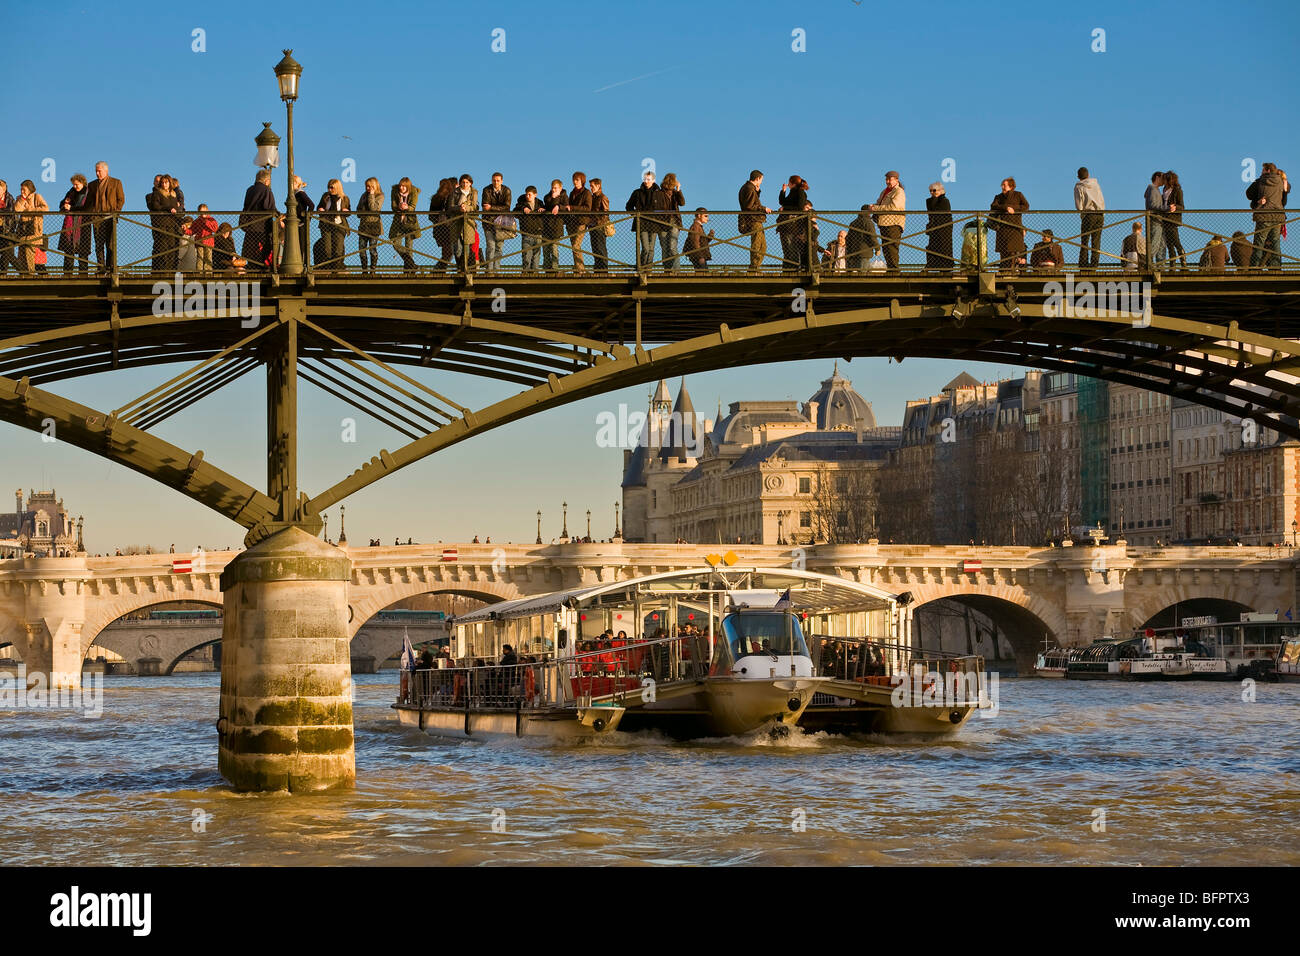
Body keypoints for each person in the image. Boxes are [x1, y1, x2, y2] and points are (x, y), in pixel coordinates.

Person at [1246, 162, 1289, 270]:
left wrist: (1257, 201)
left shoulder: (1260, 181)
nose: (1261, 172)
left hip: (1264, 216)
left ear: (1268, 170)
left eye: (1263, 170)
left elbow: (1248, 194)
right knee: (1275, 243)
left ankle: (1255, 266)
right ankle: (1276, 267)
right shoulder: (1281, 181)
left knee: (1259, 243)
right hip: (1278, 217)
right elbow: (1286, 192)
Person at [86, 161, 124, 274]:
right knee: (99, 244)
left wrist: (116, 212)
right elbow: (88, 202)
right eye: (96, 171)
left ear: (106, 171)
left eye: (99, 171)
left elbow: (121, 199)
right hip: (97, 218)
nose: (97, 173)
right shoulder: (92, 185)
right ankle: (101, 267)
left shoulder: (116, 182)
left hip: (110, 217)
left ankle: (111, 267)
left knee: (111, 243)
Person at [239, 169, 277, 270]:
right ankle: (263, 268)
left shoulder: (249, 190)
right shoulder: (266, 190)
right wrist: (279, 215)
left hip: (250, 224)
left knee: (250, 250)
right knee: (264, 249)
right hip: (262, 226)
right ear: (267, 180)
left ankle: (251, 267)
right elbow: (269, 207)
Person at [625, 170, 664, 271]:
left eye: (649, 179)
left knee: (651, 249)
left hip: (655, 223)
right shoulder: (637, 192)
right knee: (646, 248)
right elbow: (628, 206)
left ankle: (648, 269)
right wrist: (635, 215)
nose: (646, 181)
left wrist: (660, 220)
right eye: (645, 179)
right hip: (641, 223)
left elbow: (663, 208)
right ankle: (641, 268)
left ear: (653, 180)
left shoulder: (659, 194)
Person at [989, 177, 1029, 272]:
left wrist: (1014, 209)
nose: (1002, 187)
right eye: (1002, 185)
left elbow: (1026, 206)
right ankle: (1003, 270)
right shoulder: (998, 197)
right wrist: (1006, 207)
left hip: (1015, 227)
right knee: (1003, 252)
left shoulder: (1018, 195)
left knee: (1013, 251)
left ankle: (1010, 271)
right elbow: (993, 206)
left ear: (1011, 186)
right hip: (1002, 227)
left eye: (1004, 185)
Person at [870, 171, 906, 271]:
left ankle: (894, 270)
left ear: (896, 180)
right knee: (886, 248)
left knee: (892, 248)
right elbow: (879, 203)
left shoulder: (899, 191)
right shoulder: (884, 191)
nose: (887, 181)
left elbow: (894, 207)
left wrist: (875, 208)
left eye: (890, 179)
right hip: (883, 223)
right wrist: (872, 207)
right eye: (886, 179)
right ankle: (890, 269)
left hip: (893, 223)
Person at [57, 174, 91, 274]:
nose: (75, 186)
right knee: (68, 249)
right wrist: (65, 203)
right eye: (73, 184)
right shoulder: (71, 192)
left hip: (83, 224)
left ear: (82, 183)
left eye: (77, 184)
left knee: (83, 250)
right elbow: (62, 203)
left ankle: (83, 273)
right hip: (70, 224)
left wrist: (71, 208)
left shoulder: (88, 193)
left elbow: (87, 208)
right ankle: (67, 273)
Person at [738, 170, 771, 272]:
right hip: (754, 220)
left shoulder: (749, 188)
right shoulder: (748, 188)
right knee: (757, 245)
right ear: (757, 179)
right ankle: (754, 267)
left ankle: (755, 266)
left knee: (763, 246)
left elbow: (751, 202)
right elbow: (750, 206)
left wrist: (757, 192)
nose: (761, 182)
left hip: (754, 219)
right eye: (761, 180)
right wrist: (764, 208)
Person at [479, 171, 512, 273]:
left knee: (498, 247)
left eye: (498, 180)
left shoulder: (507, 190)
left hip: (502, 223)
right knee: (491, 246)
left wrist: (492, 207)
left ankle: (496, 270)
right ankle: (489, 270)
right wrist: (496, 209)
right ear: (491, 181)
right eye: (494, 180)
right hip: (488, 222)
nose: (496, 182)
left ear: (501, 181)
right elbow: (485, 206)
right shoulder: (487, 190)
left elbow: (507, 207)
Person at [316, 178, 351, 272]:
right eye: (328, 187)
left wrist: (346, 211)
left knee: (338, 248)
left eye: (331, 187)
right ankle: (328, 267)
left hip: (339, 224)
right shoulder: (325, 196)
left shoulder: (344, 198)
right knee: (327, 248)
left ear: (337, 188)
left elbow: (348, 212)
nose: (329, 190)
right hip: (326, 224)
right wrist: (320, 209)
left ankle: (337, 268)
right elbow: (319, 206)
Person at [14, 181, 49, 274]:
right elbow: (17, 210)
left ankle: (30, 273)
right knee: (21, 251)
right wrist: (22, 199)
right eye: (21, 189)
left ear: (30, 189)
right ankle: (24, 273)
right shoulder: (19, 198)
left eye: (24, 189)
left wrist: (31, 210)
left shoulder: (37, 197)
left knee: (29, 248)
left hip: (34, 229)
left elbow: (46, 208)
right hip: (23, 229)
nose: (22, 191)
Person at [1073, 166, 1105, 269]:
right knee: (1096, 241)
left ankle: (1083, 265)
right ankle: (1094, 265)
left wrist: (1082, 214)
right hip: (1099, 214)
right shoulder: (1096, 185)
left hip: (1088, 215)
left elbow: (1079, 205)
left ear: (1078, 177)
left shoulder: (1079, 186)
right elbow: (1101, 200)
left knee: (1085, 241)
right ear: (1088, 175)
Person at [149, 175, 181, 272]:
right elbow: (155, 206)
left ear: (170, 183)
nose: (164, 184)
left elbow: (176, 208)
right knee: (163, 247)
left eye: (166, 182)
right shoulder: (157, 193)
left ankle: (171, 270)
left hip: (172, 223)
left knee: (172, 246)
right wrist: (168, 208)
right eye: (162, 182)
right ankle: (162, 270)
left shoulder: (174, 194)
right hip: (161, 223)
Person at [777, 175, 809, 269]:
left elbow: (799, 208)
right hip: (785, 224)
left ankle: (793, 268)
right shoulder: (792, 192)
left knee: (791, 247)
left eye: (789, 182)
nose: (788, 184)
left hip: (793, 224)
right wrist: (783, 191)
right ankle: (787, 268)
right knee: (786, 248)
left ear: (792, 183)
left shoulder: (800, 193)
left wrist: (785, 208)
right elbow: (782, 202)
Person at [389, 176, 420, 274]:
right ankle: (411, 264)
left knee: (409, 246)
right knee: (395, 243)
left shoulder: (413, 191)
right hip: (398, 221)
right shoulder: (394, 191)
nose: (401, 188)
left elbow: (413, 206)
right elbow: (393, 206)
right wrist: (399, 206)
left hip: (410, 221)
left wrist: (407, 207)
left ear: (408, 186)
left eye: (404, 186)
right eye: (400, 186)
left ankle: (408, 270)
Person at [448, 174, 478, 272]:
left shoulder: (474, 192)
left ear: (470, 183)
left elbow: (474, 207)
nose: (465, 184)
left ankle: (463, 269)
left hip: (468, 223)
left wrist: (467, 208)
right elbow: (450, 207)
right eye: (463, 182)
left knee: (467, 247)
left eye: (467, 182)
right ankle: (460, 266)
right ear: (460, 183)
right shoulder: (454, 192)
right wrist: (459, 208)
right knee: (457, 249)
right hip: (456, 222)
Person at [427, 177, 457, 270]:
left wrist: (437, 222)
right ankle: (439, 269)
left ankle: (440, 269)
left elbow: (430, 216)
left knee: (447, 251)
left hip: (438, 228)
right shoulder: (450, 196)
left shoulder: (435, 198)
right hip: (449, 227)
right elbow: (451, 211)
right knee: (450, 252)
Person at [355, 177, 383, 274]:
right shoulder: (363, 195)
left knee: (372, 248)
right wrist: (362, 211)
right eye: (366, 186)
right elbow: (358, 210)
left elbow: (373, 208)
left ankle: (373, 269)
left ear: (374, 186)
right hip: (363, 225)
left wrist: (371, 195)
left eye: (370, 186)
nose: (367, 188)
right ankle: (364, 270)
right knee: (362, 248)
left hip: (374, 226)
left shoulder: (380, 196)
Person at [514, 185, 545, 273]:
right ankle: (526, 272)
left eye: (530, 194)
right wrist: (523, 208)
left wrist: (543, 210)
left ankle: (535, 272)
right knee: (527, 254)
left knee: (536, 254)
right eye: (526, 194)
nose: (527, 196)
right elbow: (515, 211)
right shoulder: (521, 203)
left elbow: (545, 212)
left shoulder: (540, 203)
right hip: (526, 232)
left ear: (535, 195)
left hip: (538, 231)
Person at [658, 173, 685, 273]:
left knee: (672, 246)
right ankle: (668, 271)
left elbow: (682, 203)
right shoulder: (660, 193)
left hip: (674, 222)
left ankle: (676, 271)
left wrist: (678, 190)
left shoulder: (675, 193)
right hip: (662, 222)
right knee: (665, 248)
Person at [541, 178, 569, 273]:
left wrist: (557, 205)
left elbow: (565, 207)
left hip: (557, 226)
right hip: (546, 225)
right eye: (553, 188)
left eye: (556, 188)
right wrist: (554, 199)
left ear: (560, 188)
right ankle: (547, 268)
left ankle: (554, 268)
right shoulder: (547, 197)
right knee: (545, 248)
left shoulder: (564, 196)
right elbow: (549, 206)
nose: (554, 190)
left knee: (554, 247)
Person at [567, 171, 593, 274]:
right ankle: (578, 267)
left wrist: (572, 208)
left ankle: (580, 270)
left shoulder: (586, 193)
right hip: (572, 223)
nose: (575, 182)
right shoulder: (572, 193)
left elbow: (587, 208)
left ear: (582, 180)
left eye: (577, 180)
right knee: (574, 246)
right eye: (574, 179)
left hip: (582, 222)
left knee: (576, 246)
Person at [925, 182, 952, 270]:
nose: (932, 193)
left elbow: (936, 211)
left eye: (934, 190)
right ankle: (931, 265)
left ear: (941, 191)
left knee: (944, 247)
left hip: (944, 228)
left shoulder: (945, 201)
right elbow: (931, 210)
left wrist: (935, 199)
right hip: (934, 227)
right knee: (932, 246)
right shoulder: (930, 201)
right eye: (930, 191)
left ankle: (946, 266)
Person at [1143, 171, 1167, 271]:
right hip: (1155, 220)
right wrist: (1167, 208)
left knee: (1161, 245)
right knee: (1154, 244)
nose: (1164, 181)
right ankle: (1149, 265)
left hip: (1159, 221)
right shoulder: (1152, 189)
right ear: (1157, 177)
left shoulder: (1155, 190)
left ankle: (1160, 267)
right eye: (1163, 178)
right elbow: (1152, 205)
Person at [1162, 170, 1185, 270]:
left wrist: (1175, 207)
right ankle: (1172, 266)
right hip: (1164, 220)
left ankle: (1184, 264)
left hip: (1173, 220)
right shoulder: (1163, 190)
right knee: (1169, 245)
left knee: (1176, 242)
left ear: (1169, 180)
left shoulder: (1177, 190)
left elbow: (1182, 206)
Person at [846, 203, 879, 270]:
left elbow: (848, 239)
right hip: (865, 252)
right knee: (863, 275)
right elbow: (873, 237)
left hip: (854, 253)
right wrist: (877, 248)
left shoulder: (853, 223)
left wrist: (849, 251)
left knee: (857, 275)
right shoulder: (868, 222)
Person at [589, 178, 611, 274]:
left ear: (598, 186)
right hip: (592, 226)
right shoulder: (593, 197)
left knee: (600, 247)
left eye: (592, 186)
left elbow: (606, 213)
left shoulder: (603, 197)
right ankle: (597, 268)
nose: (591, 188)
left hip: (599, 226)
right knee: (595, 248)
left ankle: (603, 269)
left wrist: (599, 223)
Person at [189, 204, 217, 274]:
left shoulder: (211, 219)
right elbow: (192, 230)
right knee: (200, 257)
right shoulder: (197, 221)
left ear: (207, 211)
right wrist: (185, 230)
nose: (202, 214)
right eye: (200, 212)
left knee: (208, 257)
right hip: (200, 241)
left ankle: (208, 272)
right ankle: (199, 272)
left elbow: (215, 229)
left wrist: (206, 222)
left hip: (208, 241)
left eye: (204, 212)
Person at [0, 180, 21, 273]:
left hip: (7, 230)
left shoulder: (9, 198)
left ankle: (23, 271)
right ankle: (24, 271)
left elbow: (11, 213)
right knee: (7, 253)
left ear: (4, 190)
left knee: (7, 253)